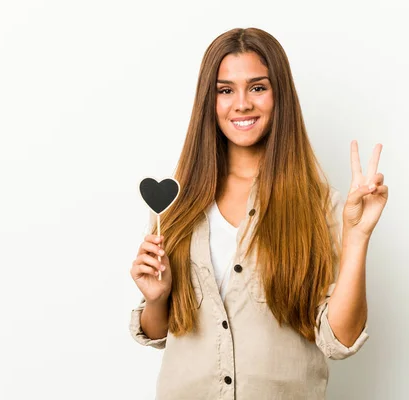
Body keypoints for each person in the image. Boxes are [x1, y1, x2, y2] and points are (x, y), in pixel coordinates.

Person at [129, 27, 388, 399]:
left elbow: (340, 339)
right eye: (225, 90)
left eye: (257, 87)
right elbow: (159, 332)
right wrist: (156, 297)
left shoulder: (320, 206)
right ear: (210, 100)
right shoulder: (176, 204)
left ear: (279, 94)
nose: (242, 104)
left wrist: (358, 236)